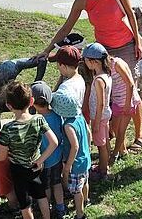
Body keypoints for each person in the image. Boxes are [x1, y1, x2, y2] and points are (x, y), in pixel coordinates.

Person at [40, 0, 142, 153]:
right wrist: (47, 49)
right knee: (111, 92)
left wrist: (137, 41)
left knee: (130, 92)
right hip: (103, 50)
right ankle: (113, 133)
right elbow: (66, 27)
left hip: (126, 45)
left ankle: (139, 135)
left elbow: (130, 14)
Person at [0, 81, 58, 219]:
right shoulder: (39, 119)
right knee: (41, 195)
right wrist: (40, 160)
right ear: (31, 101)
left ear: (9, 106)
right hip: (36, 166)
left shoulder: (8, 129)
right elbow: (54, 143)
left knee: (25, 202)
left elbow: (1, 157)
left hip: (18, 171)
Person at [51, 88, 91, 219]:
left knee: (76, 190)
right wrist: (88, 149)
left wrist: (68, 167)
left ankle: (80, 214)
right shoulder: (79, 116)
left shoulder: (68, 126)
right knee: (85, 182)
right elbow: (88, 133)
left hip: (76, 163)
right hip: (85, 158)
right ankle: (86, 200)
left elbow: (74, 146)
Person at [0, 57, 47, 132]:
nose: (7, 84)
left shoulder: (17, 64)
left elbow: (42, 60)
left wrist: (35, 84)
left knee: (30, 97)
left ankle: (30, 125)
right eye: (5, 82)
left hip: (12, 93)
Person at [31, 81, 66, 218]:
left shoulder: (36, 121)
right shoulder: (57, 115)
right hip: (57, 157)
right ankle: (61, 208)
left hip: (43, 161)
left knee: (46, 187)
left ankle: (48, 206)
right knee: (57, 183)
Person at [82, 42, 112, 179]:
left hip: (99, 116)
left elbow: (101, 103)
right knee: (105, 141)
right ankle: (104, 165)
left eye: (86, 61)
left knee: (100, 145)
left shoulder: (99, 80)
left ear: (94, 62)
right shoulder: (106, 75)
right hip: (105, 115)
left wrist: (96, 123)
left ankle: (102, 171)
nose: (85, 64)